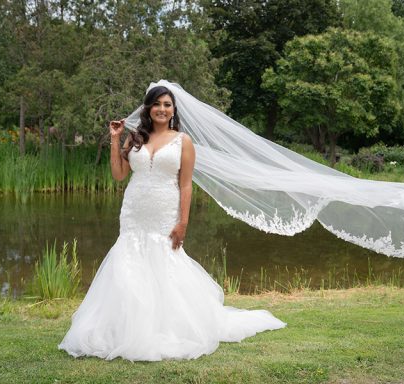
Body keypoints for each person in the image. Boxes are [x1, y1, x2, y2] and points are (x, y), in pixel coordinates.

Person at [58, 86, 286, 362]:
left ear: (173, 110)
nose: (162, 109)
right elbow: (119, 175)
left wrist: (183, 223)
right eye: (157, 104)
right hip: (134, 210)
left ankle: (167, 326)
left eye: (167, 104)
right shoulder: (135, 138)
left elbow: (186, 185)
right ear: (148, 108)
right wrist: (115, 139)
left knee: (165, 264)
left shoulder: (183, 142)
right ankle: (125, 327)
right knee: (128, 262)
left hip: (165, 211)